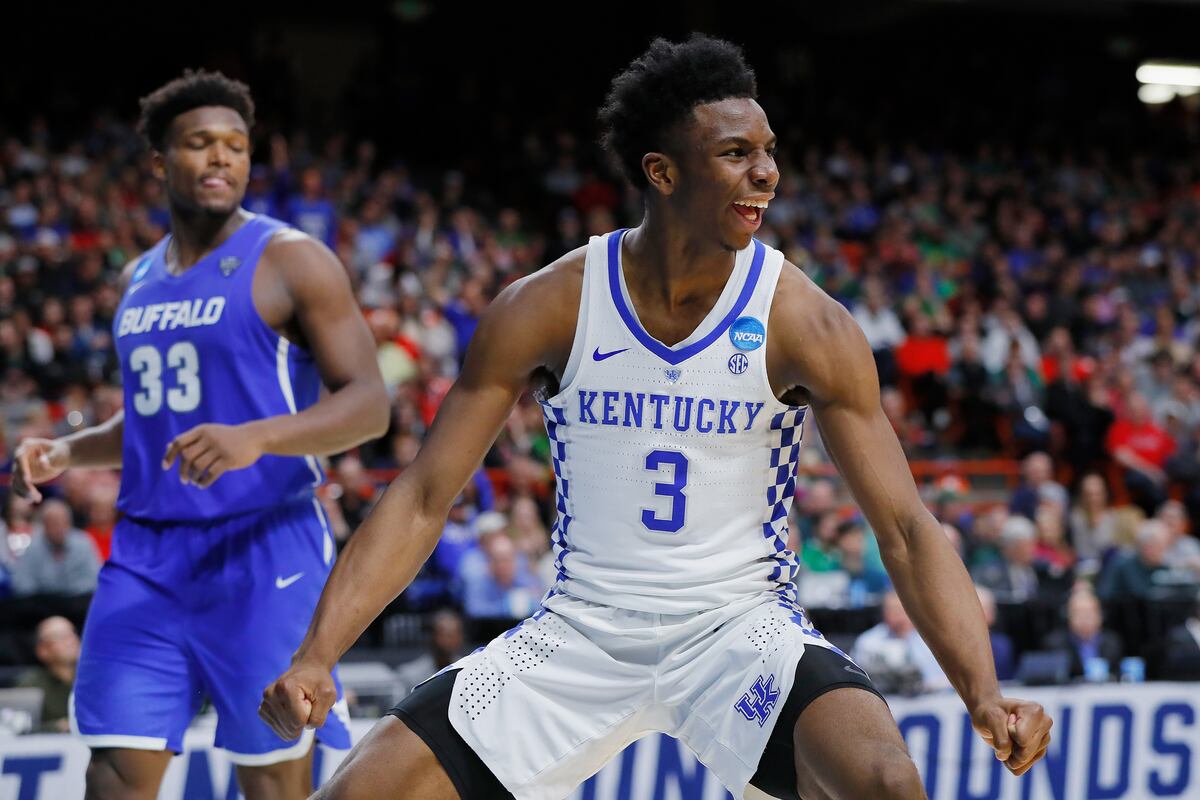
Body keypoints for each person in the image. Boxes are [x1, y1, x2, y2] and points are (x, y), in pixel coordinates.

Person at [261, 36, 1051, 800]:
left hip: (739, 631)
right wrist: (317, 655)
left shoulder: (805, 323)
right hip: (582, 628)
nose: (767, 173)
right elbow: (426, 496)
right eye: (737, 153)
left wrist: (982, 691)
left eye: (769, 149)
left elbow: (907, 528)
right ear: (663, 172)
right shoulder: (550, 305)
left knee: (885, 781)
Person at [12, 70, 388, 799]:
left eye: (236, 146)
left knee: (273, 780)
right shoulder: (140, 278)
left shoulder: (292, 258)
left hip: (263, 548)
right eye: (200, 144)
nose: (221, 159)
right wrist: (67, 449)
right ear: (159, 162)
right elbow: (154, 423)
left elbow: (371, 404)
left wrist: (259, 437)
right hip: (146, 557)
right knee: (114, 770)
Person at [9, 499, 99, 598]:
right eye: (53, 523)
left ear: (69, 523)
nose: (59, 528)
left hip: (76, 600)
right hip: (42, 603)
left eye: (62, 523)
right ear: (44, 525)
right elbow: (22, 583)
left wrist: (67, 593)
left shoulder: (84, 542)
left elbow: (94, 579)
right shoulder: (33, 546)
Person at [16, 616, 80, 732]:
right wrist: (56, 727)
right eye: (60, 636)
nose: (71, 640)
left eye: (73, 633)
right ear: (42, 650)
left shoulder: (94, 678)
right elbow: (19, 727)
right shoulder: (31, 684)